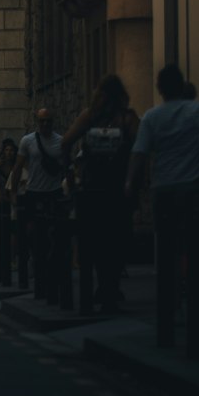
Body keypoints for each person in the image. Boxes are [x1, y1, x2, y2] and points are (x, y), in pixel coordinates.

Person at [126, 63, 199, 347]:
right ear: (182, 86)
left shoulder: (153, 117)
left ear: (160, 89)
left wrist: (130, 185)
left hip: (164, 191)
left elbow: (139, 154)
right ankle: (195, 326)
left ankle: (166, 326)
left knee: (166, 254)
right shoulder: (197, 112)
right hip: (193, 190)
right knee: (194, 252)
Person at [64, 73, 138, 313]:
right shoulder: (127, 119)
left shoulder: (89, 116)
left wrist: (71, 178)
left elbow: (65, 143)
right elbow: (139, 151)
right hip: (117, 190)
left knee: (95, 241)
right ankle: (109, 287)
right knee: (116, 240)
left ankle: (104, 287)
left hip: (92, 188)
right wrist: (133, 181)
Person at [9, 108, 66, 291]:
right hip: (33, 193)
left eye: (48, 121)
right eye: (42, 121)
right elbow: (17, 167)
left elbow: (67, 167)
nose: (45, 124)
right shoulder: (28, 141)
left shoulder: (60, 141)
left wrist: (70, 191)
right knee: (32, 235)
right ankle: (33, 272)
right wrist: (13, 193)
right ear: (37, 122)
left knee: (56, 235)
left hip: (55, 192)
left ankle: (52, 273)